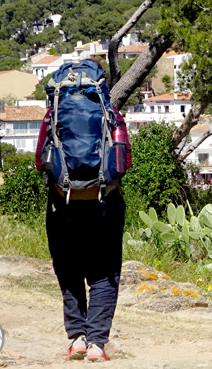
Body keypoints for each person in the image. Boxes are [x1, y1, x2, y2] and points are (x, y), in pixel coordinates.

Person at [35, 95, 131, 362]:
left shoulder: (52, 114)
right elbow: (124, 162)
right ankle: (97, 346)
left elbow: (39, 160)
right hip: (105, 204)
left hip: (61, 205)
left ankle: (77, 340)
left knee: (68, 270)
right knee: (104, 273)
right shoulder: (110, 112)